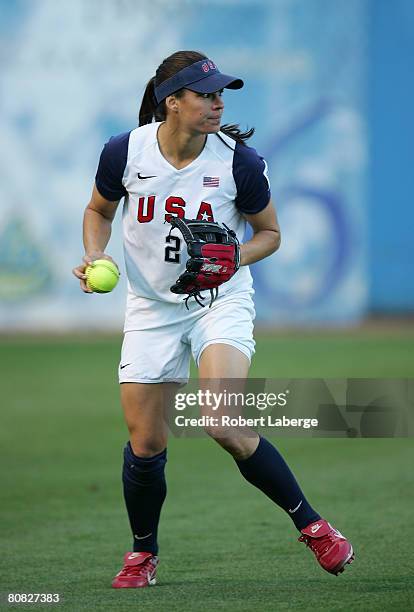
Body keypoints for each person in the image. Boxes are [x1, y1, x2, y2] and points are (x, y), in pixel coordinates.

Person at [73, 50, 354, 588]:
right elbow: (98, 212)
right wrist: (97, 256)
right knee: (146, 443)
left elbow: (269, 234)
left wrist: (235, 256)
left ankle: (314, 526)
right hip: (152, 309)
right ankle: (142, 554)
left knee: (221, 421)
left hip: (220, 301)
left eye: (221, 93)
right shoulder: (124, 152)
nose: (218, 102)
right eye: (205, 94)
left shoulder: (238, 162)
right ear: (171, 102)